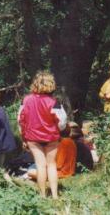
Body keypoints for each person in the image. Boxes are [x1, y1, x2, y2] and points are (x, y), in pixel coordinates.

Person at [18, 71, 67, 199]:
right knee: (51, 165)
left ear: (35, 83)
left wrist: (23, 136)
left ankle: (42, 195)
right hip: (51, 137)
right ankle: (55, 196)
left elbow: (20, 120)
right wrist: (58, 130)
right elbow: (62, 122)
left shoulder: (26, 100)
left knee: (40, 165)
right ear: (51, 84)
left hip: (33, 138)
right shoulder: (54, 102)